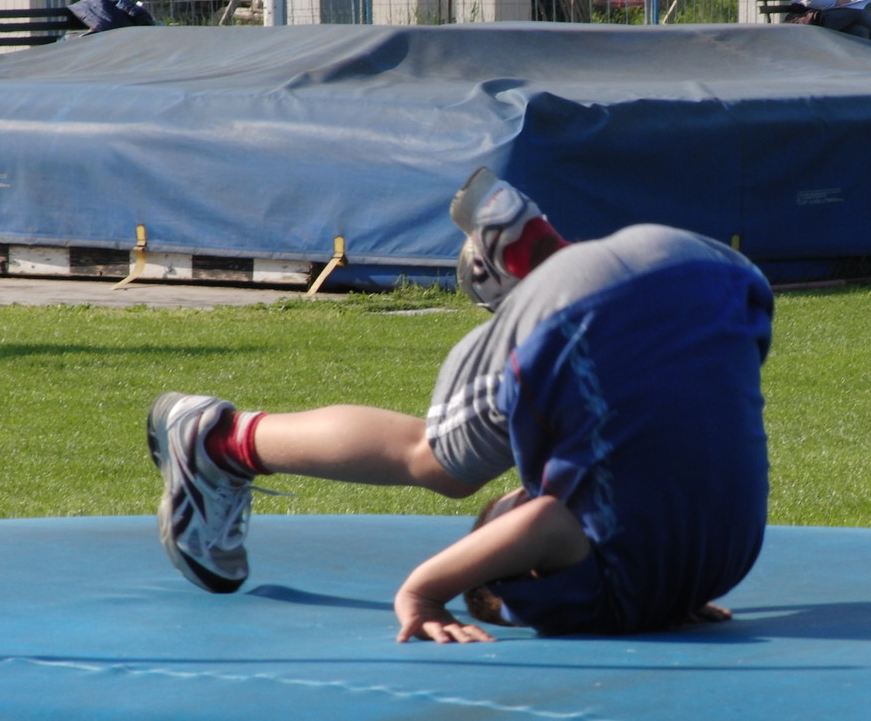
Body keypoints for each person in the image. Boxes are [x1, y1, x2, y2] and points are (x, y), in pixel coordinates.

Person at [147, 167, 774, 643]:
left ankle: (217, 442)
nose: (515, 500)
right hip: (647, 289)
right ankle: (216, 443)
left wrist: (423, 591)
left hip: (719, 280)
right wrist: (433, 589)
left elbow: (550, 522)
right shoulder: (619, 590)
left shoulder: (706, 570)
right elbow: (545, 525)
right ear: (538, 578)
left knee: (459, 454)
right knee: (446, 462)